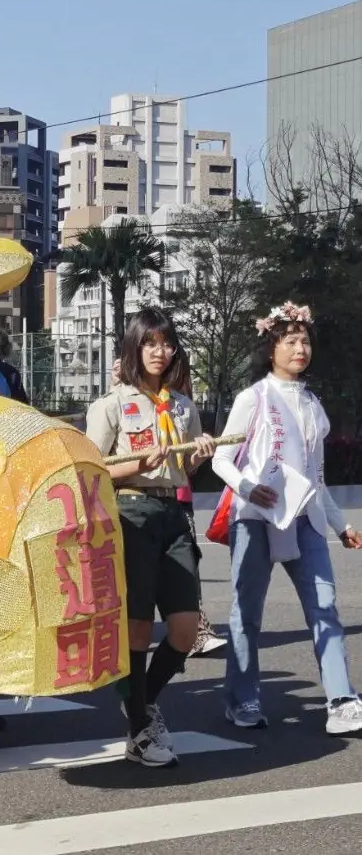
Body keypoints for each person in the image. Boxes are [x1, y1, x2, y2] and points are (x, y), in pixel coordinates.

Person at [213, 302, 362, 735]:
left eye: (305, 340)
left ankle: (341, 699)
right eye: (290, 340)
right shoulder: (252, 397)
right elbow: (222, 459)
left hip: (306, 518)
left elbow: (317, 477)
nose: (301, 348)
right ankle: (241, 700)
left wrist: (340, 525)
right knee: (247, 612)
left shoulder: (313, 404)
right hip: (256, 517)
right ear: (271, 347)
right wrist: (246, 488)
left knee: (325, 606)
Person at [85, 307, 217, 768]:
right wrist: (136, 464)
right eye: (150, 343)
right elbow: (93, 467)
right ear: (135, 347)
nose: (159, 352)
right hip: (131, 513)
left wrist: (199, 456)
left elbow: (185, 467)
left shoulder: (182, 405)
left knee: (185, 628)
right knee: (138, 625)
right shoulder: (111, 405)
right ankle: (139, 728)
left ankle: (142, 701)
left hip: (174, 513)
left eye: (166, 343)